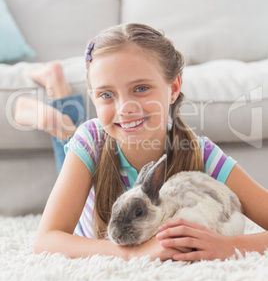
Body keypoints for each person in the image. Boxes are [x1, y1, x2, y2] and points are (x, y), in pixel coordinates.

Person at [15, 23, 268, 261]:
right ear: (93, 98)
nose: (125, 108)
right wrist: (134, 254)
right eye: (106, 94)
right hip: (90, 147)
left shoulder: (201, 152)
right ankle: (52, 97)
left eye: (140, 89)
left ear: (173, 87)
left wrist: (230, 246)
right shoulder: (91, 140)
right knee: (67, 141)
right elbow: (46, 240)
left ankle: (58, 98)